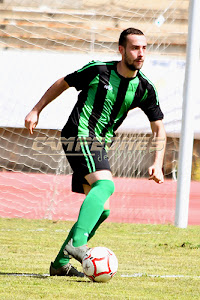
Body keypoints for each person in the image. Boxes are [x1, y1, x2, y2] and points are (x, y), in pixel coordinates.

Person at [25, 28, 166, 277]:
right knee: (106, 186)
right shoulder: (99, 70)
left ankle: (60, 264)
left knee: (103, 209)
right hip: (78, 133)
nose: (140, 53)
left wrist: (157, 162)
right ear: (121, 50)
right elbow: (63, 83)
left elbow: (158, 128)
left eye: (144, 48)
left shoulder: (145, 88)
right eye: (135, 48)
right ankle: (77, 244)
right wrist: (37, 109)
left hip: (100, 143)